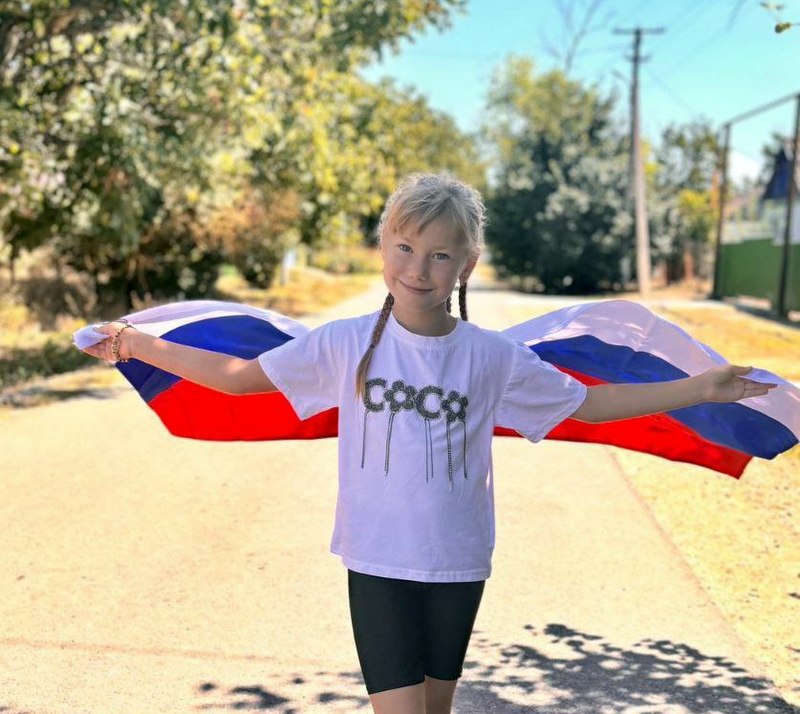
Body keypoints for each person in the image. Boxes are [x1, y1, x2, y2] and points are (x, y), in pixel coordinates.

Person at [82, 172, 775, 714]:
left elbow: (590, 404)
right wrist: (140, 345)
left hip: (458, 564)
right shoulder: (344, 342)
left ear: (467, 265)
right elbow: (238, 379)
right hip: (377, 562)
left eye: (441, 255)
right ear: (384, 247)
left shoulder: (492, 357)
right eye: (405, 248)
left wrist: (698, 389)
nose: (418, 268)